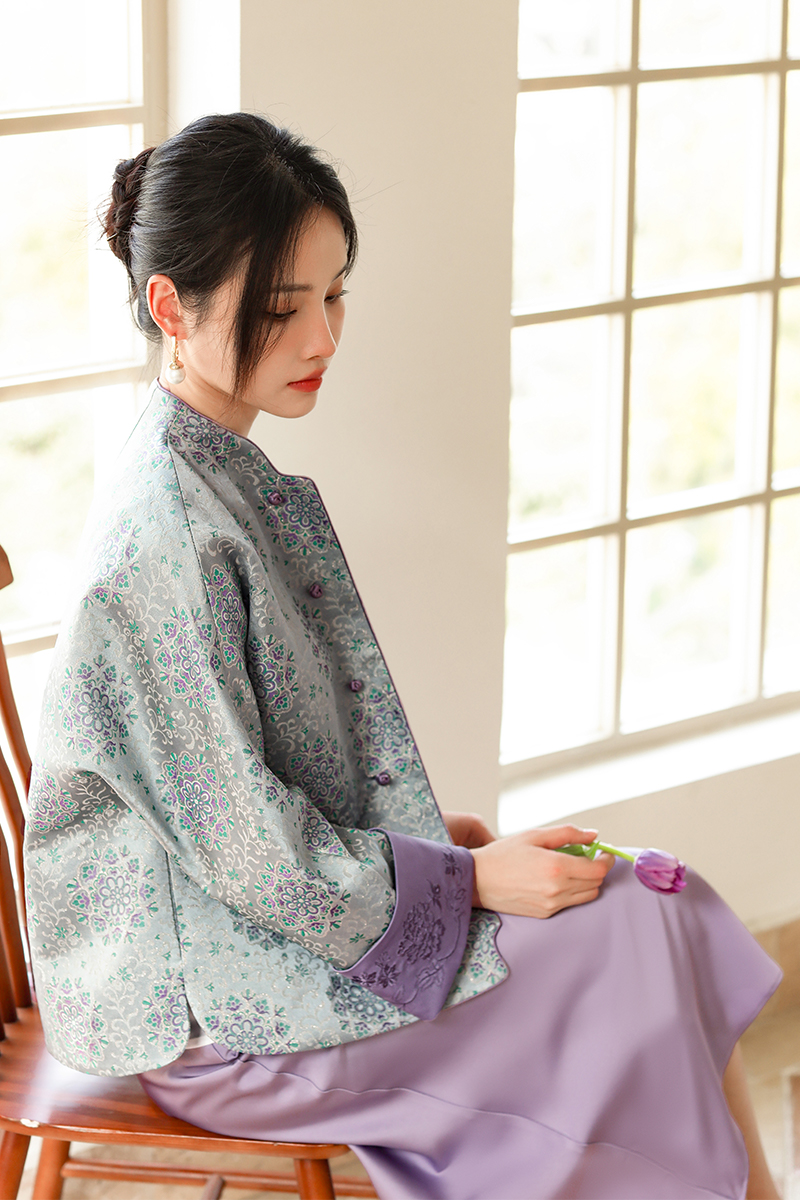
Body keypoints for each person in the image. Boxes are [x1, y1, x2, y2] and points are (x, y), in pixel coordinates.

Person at [24, 112, 781, 1200]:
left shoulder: (210, 469)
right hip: (221, 1016)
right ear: (172, 309)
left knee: (661, 897)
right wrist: (459, 882)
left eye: (333, 297)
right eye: (281, 308)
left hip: (281, 939)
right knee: (632, 936)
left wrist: (435, 854)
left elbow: (249, 793)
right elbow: (253, 858)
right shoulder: (167, 537)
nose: (322, 338)